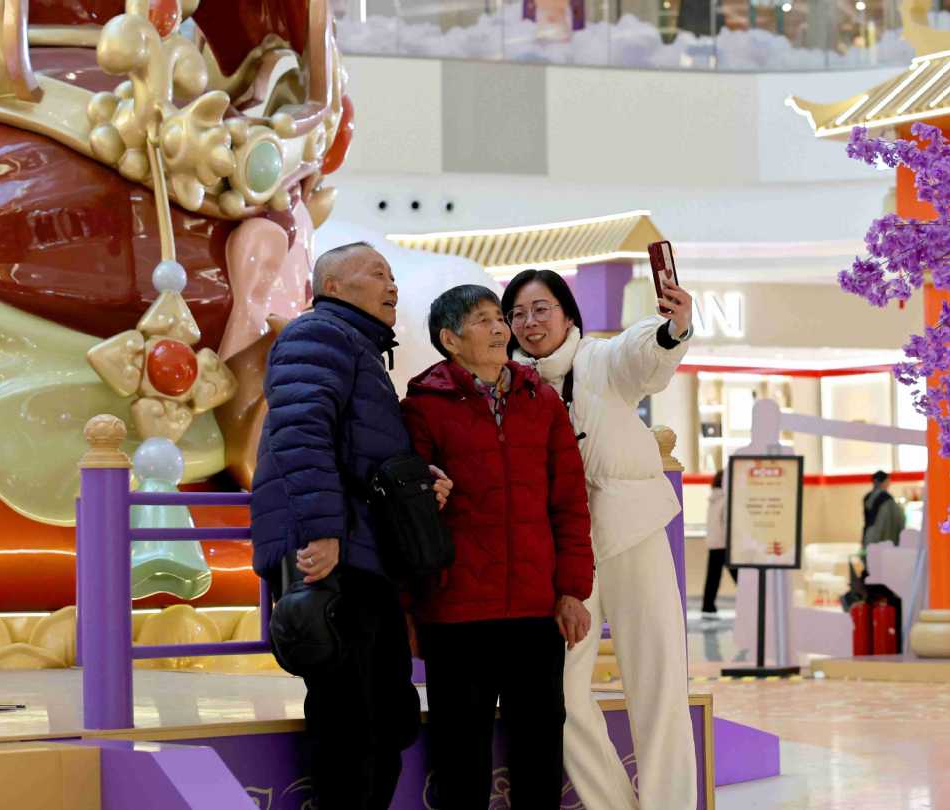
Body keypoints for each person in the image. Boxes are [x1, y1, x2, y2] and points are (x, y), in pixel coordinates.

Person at [250, 242, 452, 810]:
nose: (392, 286)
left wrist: (419, 483)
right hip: (334, 558)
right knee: (351, 723)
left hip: (364, 554)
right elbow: (300, 432)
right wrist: (322, 531)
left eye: (392, 276)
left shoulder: (356, 346)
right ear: (333, 287)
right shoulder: (316, 335)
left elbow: (360, 452)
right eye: (377, 274)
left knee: (385, 717)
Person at [501, 268, 697, 810]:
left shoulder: (601, 360)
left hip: (632, 533)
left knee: (658, 682)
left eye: (541, 309)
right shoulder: (508, 384)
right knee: (560, 692)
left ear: (568, 314)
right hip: (563, 556)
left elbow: (641, 355)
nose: (530, 322)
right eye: (517, 313)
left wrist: (671, 329)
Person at [401, 285, 594, 810]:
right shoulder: (421, 408)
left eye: (498, 318)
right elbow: (408, 520)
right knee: (461, 758)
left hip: (535, 610)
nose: (499, 329)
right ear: (450, 339)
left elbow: (569, 503)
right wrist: (411, 607)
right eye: (482, 320)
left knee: (540, 751)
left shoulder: (542, 401)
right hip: (456, 613)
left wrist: (573, 591)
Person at [701, 469, 737, 619]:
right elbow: (727, 523)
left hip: (714, 542)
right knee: (739, 576)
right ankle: (751, 601)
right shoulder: (726, 499)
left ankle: (708, 606)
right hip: (725, 543)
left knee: (712, 578)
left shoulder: (713, 498)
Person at [863, 470, 905, 551]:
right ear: (885, 481)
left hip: (868, 536)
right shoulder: (886, 498)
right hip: (882, 537)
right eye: (888, 481)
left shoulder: (867, 497)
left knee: (870, 557)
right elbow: (898, 519)